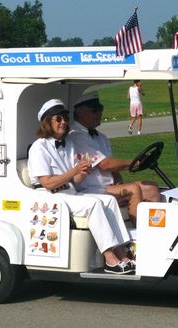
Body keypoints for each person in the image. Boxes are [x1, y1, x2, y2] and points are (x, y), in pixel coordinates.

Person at [27, 99, 134, 274]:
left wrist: (82, 171)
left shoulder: (68, 144)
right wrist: (73, 171)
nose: (63, 122)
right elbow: (47, 182)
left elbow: (75, 180)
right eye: (58, 119)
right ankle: (110, 259)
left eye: (65, 118)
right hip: (51, 196)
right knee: (93, 205)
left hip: (70, 192)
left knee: (109, 201)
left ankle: (122, 253)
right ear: (47, 122)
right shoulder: (39, 148)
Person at [69, 93, 161, 225]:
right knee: (134, 189)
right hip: (91, 189)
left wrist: (119, 180)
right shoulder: (76, 136)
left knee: (151, 188)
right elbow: (105, 165)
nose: (99, 113)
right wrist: (133, 162)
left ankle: (155, 230)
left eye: (100, 109)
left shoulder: (101, 137)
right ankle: (142, 235)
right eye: (94, 110)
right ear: (80, 112)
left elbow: (113, 168)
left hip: (109, 187)